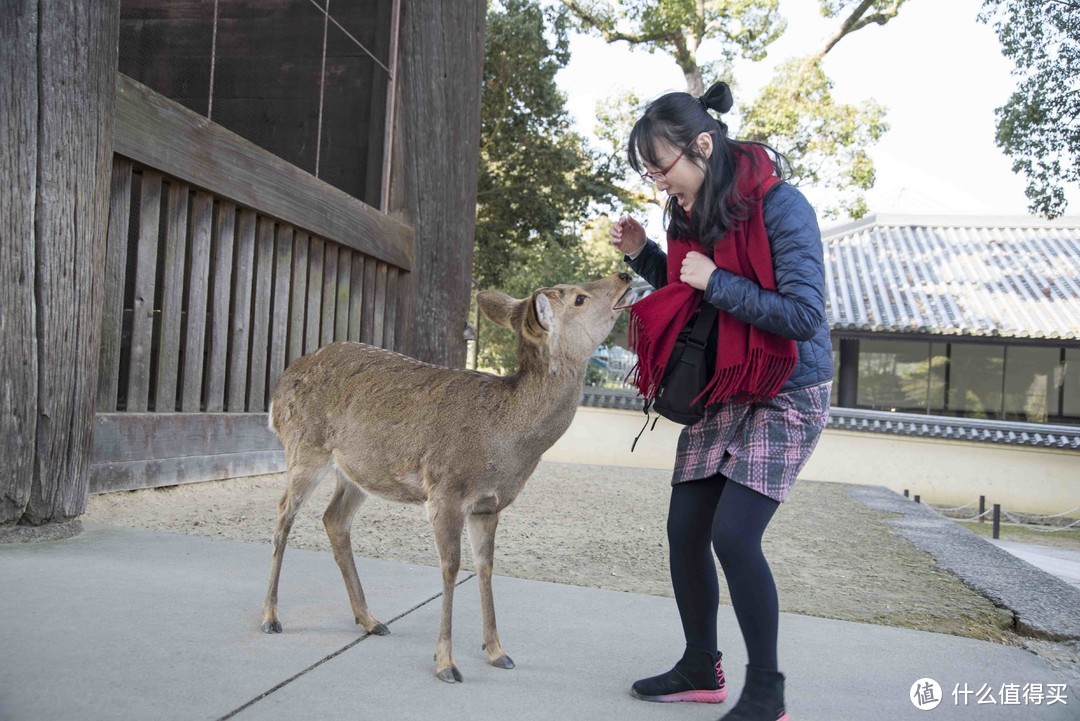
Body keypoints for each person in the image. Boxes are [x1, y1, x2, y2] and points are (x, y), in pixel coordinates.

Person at [609, 81, 833, 721]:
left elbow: (802, 315)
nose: (659, 185)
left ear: (703, 145)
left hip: (786, 387)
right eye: (650, 174)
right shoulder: (689, 217)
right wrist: (644, 254)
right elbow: (693, 292)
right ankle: (699, 666)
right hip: (726, 382)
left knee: (734, 536)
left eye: (662, 168)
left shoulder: (783, 208)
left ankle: (767, 691)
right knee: (686, 529)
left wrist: (719, 280)